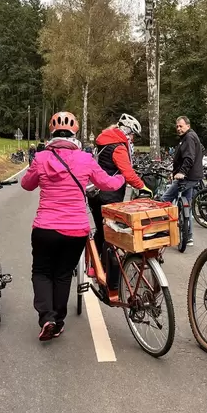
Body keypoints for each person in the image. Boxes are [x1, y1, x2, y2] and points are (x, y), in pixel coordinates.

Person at [21, 112, 124, 341]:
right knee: (63, 274)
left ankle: (46, 317)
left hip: (45, 228)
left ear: (52, 133)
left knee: (41, 271)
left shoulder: (41, 158)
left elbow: (26, 185)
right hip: (76, 230)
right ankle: (57, 322)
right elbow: (106, 183)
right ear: (75, 133)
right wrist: (122, 177)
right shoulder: (86, 159)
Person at [89, 113, 152, 300]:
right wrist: (143, 186)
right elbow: (127, 172)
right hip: (110, 194)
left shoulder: (103, 142)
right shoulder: (118, 147)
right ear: (127, 131)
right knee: (111, 236)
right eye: (132, 135)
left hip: (94, 193)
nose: (132, 139)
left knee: (101, 230)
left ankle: (96, 267)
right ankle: (109, 277)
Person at [161, 116, 204, 246]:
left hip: (186, 177)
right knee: (187, 205)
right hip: (192, 177)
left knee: (165, 200)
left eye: (181, 126)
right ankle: (188, 236)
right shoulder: (190, 137)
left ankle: (164, 230)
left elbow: (189, 158)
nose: (178, 128)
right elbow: (201, 150)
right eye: (177, 126)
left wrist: (181, 172)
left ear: (188, 126)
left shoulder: (189, 138)